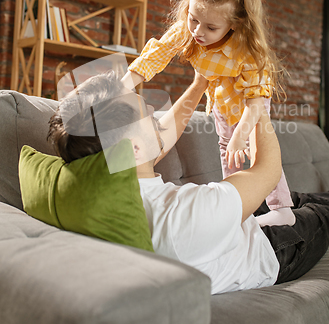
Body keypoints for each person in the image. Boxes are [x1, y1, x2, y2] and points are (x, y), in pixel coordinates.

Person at [47, 70, 329, 295]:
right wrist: (257, 104)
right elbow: (267, 172)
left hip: (233, 222)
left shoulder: (105, 185)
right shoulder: (186, 214)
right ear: (133, 148)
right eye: (146, 114)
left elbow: (155, 142)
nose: (153, 110)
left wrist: (199, 84)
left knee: (299, 197)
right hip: (271, 248)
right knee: (321, 211)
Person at [122, 0, 295, 227]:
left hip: (252, 101)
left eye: (211, 27)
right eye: (193, 18)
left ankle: (282, 209)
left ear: (235, 25)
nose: (197, 31)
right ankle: (237, 207)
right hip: (221, 99)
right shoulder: (187, 30)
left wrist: (241, 135)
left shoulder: (248, 51)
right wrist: (123, 85)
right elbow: (157, 54)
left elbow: (255, 103)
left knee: (258, 149)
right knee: (227, 151)